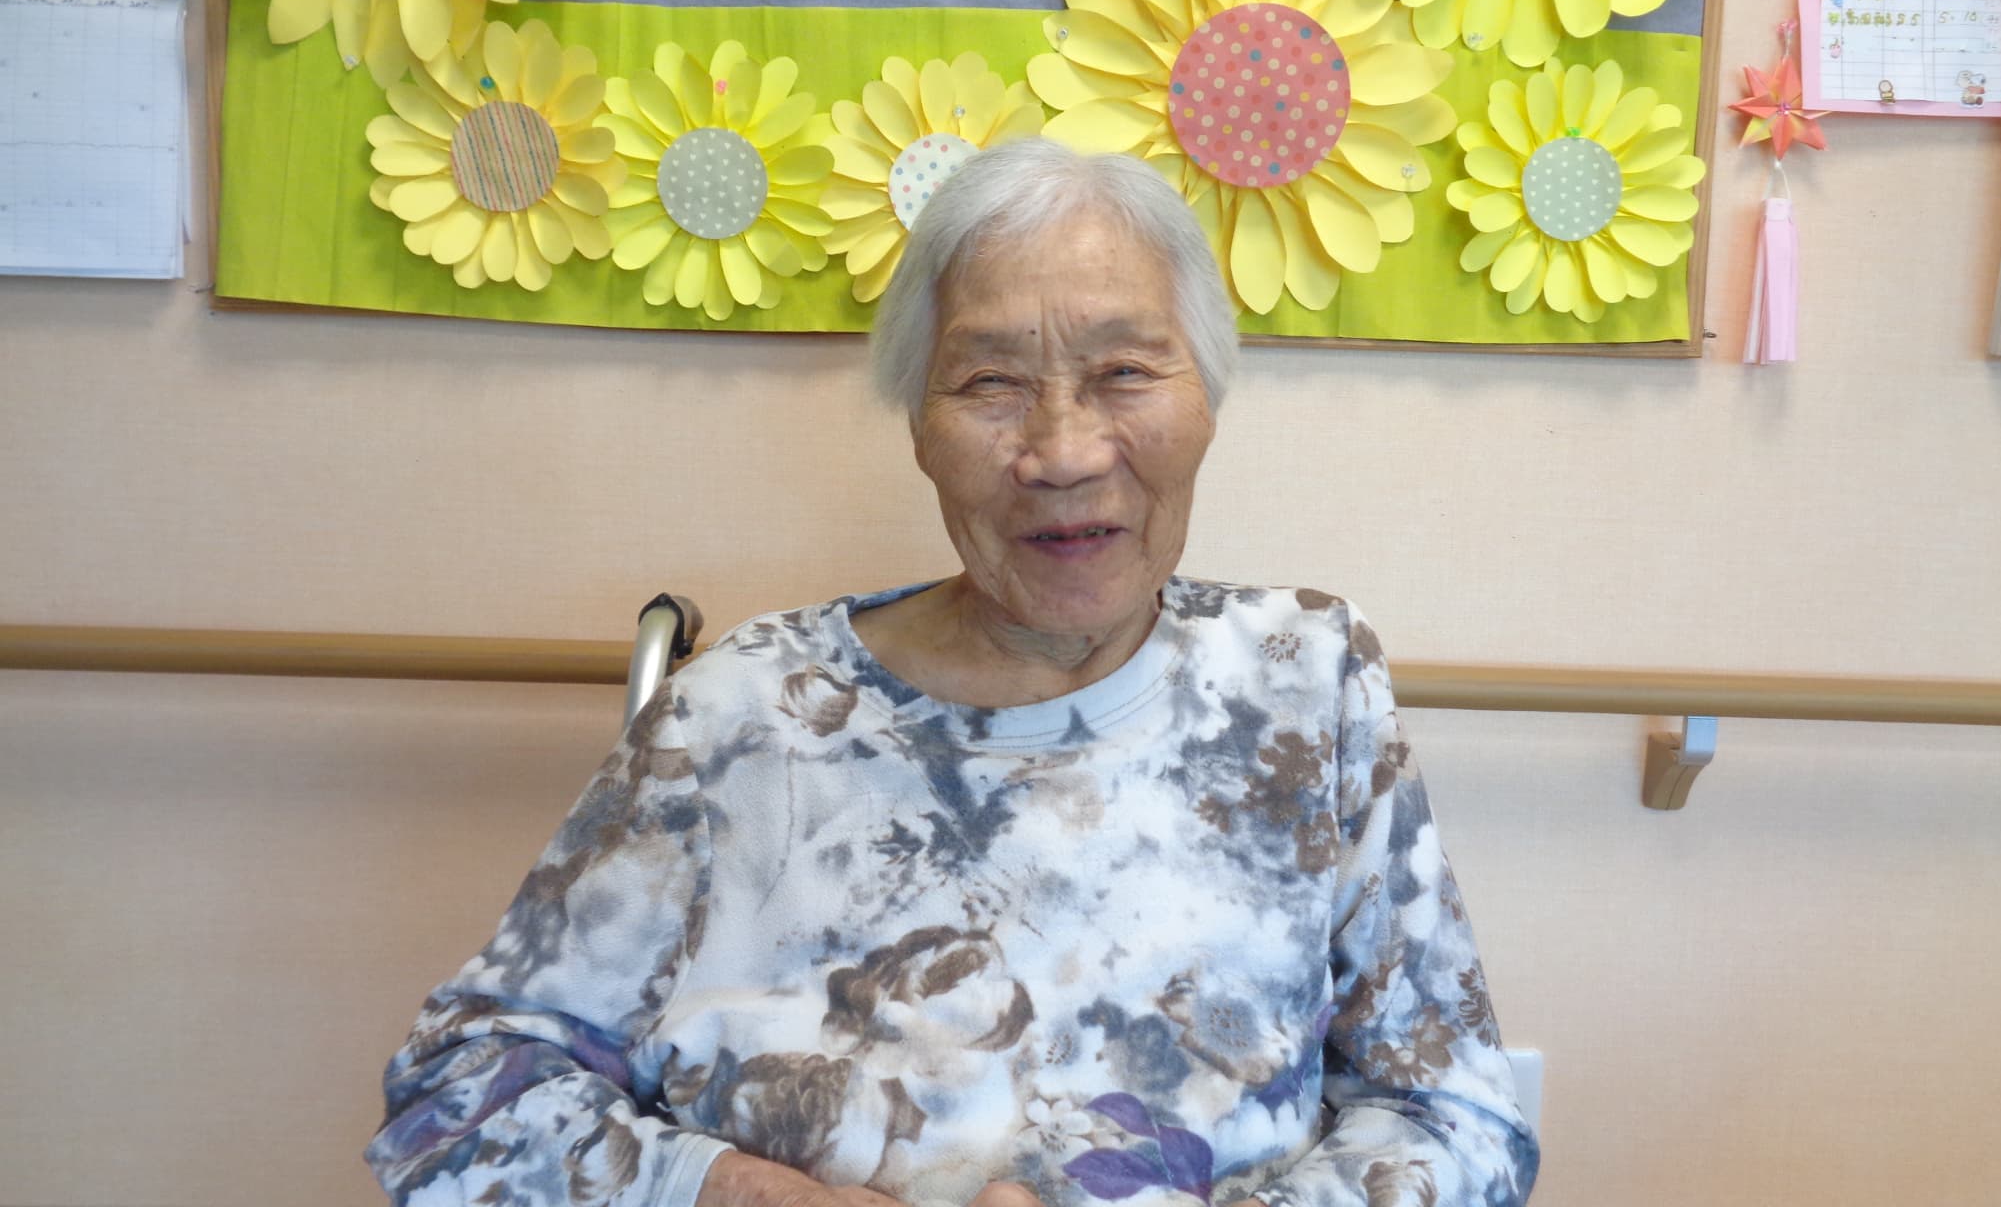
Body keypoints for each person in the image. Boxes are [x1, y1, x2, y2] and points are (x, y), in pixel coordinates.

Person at [367, 138, 1539, 1207]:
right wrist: (735, 1195)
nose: (1063, 452)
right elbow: (458, 1099)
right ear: (918, 427)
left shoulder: (1303, 680)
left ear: (1207, 400)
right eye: (990, 383)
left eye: (1124, 371)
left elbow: (1453, 1117)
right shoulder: (739, 716)